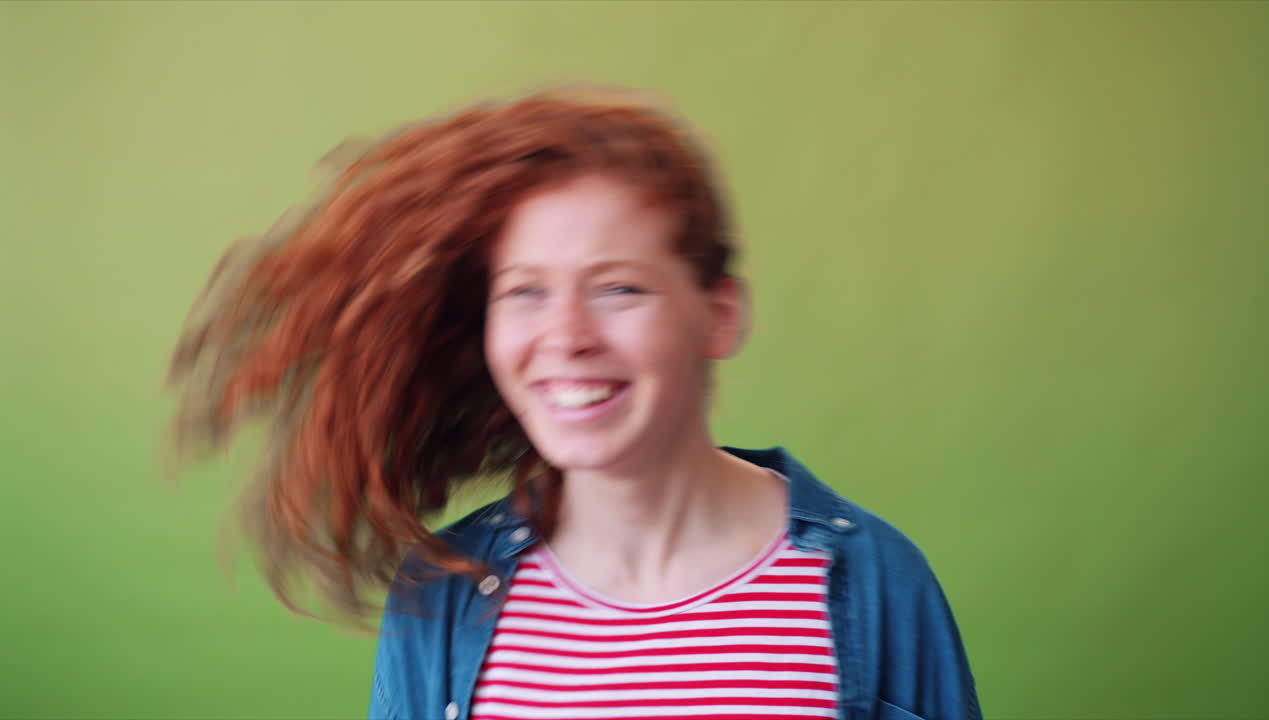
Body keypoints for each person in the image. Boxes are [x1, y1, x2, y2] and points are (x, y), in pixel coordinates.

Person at [168, 87, 980, 720]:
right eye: (525, 292)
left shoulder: (875, 583)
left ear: (720, 313)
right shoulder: (442, 596)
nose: (565, 336)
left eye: (618, 288)